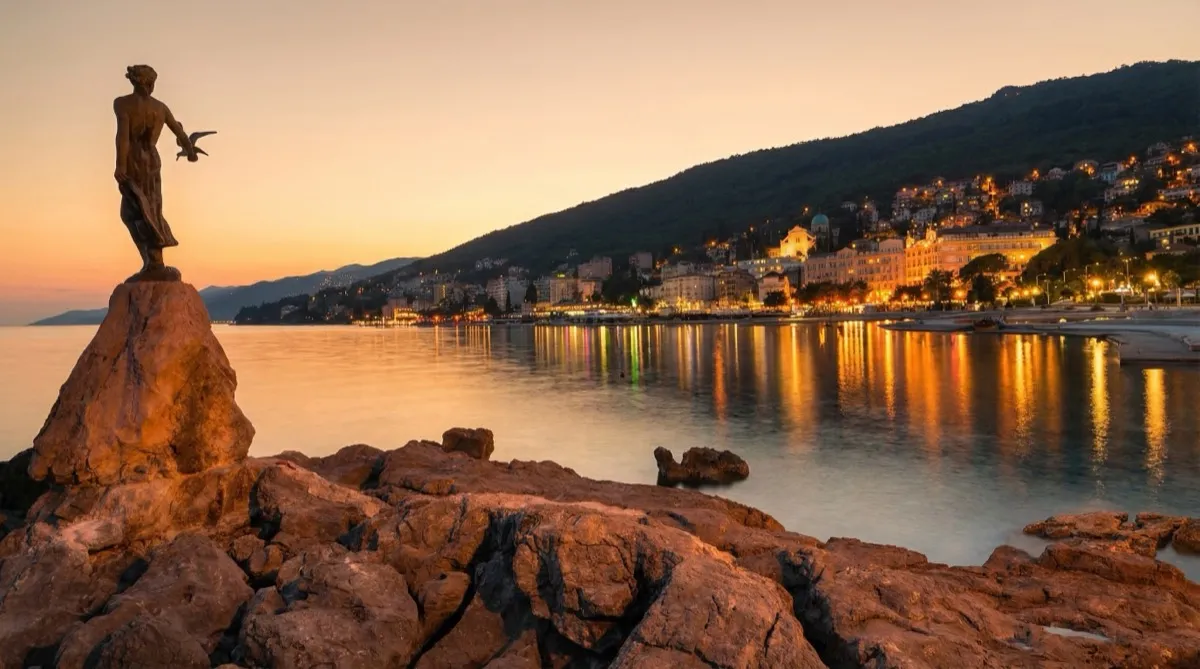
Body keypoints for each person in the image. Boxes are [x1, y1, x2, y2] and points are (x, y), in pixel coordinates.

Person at [113, 64, 197, 281]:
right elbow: (180, 133)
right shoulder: (160, 108)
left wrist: (120, 165)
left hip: (134, 161)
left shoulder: (123, 103)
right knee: (148, 209)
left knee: (137, 212)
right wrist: (190, 152)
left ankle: (154, 262)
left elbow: (123, 136)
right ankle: (152, 262)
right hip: (151, 160)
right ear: (147, 82)